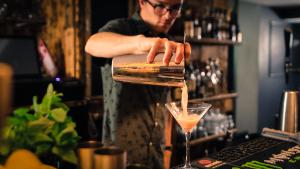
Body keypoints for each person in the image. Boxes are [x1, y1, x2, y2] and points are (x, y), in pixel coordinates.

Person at [85, 0, 191, 168]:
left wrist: (168, 148)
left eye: (175, 8)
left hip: (156, 154)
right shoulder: (122, 28)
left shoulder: (168, 42)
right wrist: (140, 43)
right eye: (160, 6)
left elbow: (166, 102)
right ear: (142, 2)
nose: (168, 15)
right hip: (118, 157)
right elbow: (92, 44)